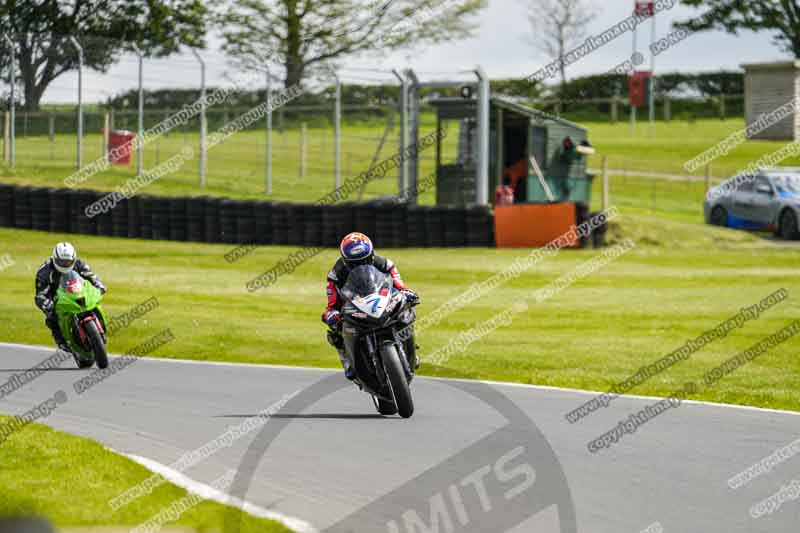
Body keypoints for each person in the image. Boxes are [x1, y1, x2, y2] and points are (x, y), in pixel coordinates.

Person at [322, 232, 419, 380]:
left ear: (371, 254)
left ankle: (410, 349)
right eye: (354, 263)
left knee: (406, 309)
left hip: (379, 295)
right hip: (353, 302)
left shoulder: (385, 263)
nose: (360, 265)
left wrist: (406, 292)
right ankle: (347, 360)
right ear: (345, 260)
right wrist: (332, 313)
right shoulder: (335, 274)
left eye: (364, 260)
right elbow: (332, 302)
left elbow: (399, 283)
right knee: (335, 330)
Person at [35, 242, 106, 353]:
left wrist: (99, 286)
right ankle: (61, 341)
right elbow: (40, 294)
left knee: (94, 302)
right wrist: (47, 304)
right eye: (62, 262)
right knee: (52, 317)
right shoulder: (44, 271)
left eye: (68, 262)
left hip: (76, 291)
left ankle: (100, 326)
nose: (65, 264)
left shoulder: (79, 263)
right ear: (55, 259)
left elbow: (92, 276)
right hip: (56, 297)